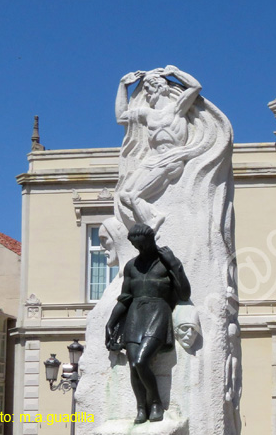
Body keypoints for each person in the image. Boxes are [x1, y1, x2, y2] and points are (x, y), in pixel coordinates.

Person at [105, 224, 191, 424]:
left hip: (158, 314)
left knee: (141, 361)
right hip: (135, 315)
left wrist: (174, 264)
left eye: (142, 245)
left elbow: (185, 294)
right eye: (136, 246)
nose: (140, 250)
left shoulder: (165, 263)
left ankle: (156, 403)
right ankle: (141, 407)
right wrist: (111, 322)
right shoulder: (131, 266)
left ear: (151, 241)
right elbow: (125, 298)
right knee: (134, 365)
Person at [114, 66, 202, 231]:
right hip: (151, 161)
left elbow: (195, 87)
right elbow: (121, 117)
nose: (146, 93)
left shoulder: (177, 108)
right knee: (124, 195)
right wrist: (122, 85)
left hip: (170, 160)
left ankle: (152, 225)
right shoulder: (147, 114)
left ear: (160, 88)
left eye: (149, 89)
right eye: (145, 89)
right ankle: (154, 214)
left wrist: (175, 72)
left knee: (134, 196)